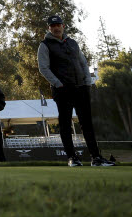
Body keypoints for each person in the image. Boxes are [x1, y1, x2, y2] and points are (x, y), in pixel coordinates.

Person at [37, 14, 115, 166]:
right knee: (65, 124)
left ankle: (96, 158)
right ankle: (72, 158)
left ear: (63, 26)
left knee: (87, 123)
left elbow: (83, 62)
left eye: (58, 25)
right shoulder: (45, 45)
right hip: (62, 89)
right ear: (49, 28)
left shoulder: (72, 43)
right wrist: (57, 83)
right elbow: (43, 68)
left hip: (81, 88)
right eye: (53, 26)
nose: (56, 28)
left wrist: (87, 81)